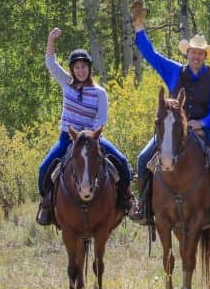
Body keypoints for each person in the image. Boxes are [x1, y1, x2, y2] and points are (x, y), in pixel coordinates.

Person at [128, 0, 210, 226]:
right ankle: (144, 205)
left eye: (200, 54)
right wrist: (139, 28)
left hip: (201, 130)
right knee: (142, 159)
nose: (196, 57)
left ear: (205, 57)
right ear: (188, 54)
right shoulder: (174, 71)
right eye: (193, 53)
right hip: (172, 129)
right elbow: (151, 54)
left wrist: (202, 123)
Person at [36, 27, 135, 226]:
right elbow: (50, 62)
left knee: (122, 162)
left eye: (84, 67)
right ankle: (46, 204)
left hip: (92, 139)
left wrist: (91, 136)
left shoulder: (99, 92)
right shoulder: (66, 82)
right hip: (67, 138)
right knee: (44, 168)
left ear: (89, 68)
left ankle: (127, 200)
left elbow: (101, 120)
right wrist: (51, 40)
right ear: (72, 69)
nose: (80, 70)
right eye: (77, 67)